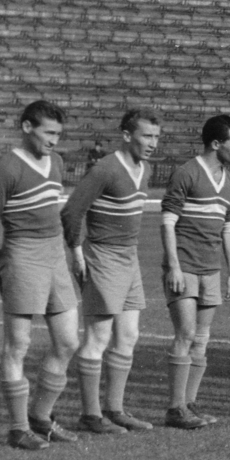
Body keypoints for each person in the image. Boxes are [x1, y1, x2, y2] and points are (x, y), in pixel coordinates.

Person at [0, 100, 81, 447]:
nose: (54, 140)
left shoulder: (55, 162)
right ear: (27, 128)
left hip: (54, 254)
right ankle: (17, 427)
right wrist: (2, 265)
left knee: (69, 341)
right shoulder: (6, 169)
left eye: (58, 134)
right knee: (18, 345)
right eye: (48, 132)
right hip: (22, 255)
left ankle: (41, 417)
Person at [60, 109, 162, 433]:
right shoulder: (105, 169)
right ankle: (91, 415)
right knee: (98, 337)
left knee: (129, 336)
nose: (153, 143)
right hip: (101, 257)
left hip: (129, 258)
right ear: (127, 135)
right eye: (147, 136)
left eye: (157, 137)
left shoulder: (145, 169)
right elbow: (71, 211)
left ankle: (115, 409)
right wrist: (77, 254)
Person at [160, 114, 230, 428]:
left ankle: (189, 404)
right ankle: (175, 408)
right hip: (185, 266)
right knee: (186, 334)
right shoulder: (186, 173)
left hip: (211, 270)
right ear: (216, 143)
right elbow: (167, 222)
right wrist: (174, 266)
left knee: (202, 339)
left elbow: (228, 228)